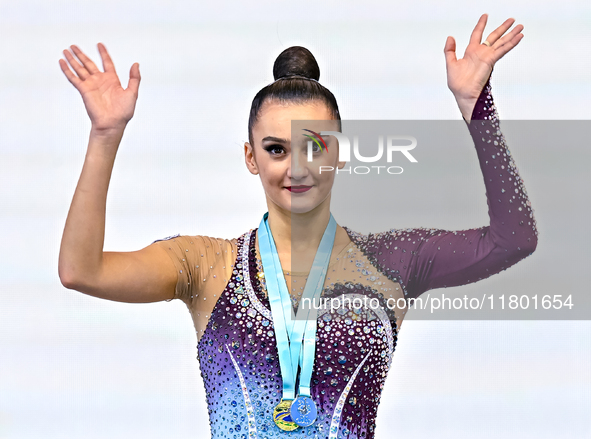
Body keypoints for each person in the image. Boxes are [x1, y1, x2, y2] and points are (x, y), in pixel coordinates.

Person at [58, 14, 537, 439]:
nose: (297, 168)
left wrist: (478, 106)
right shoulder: (206, 265)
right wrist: (105, 136)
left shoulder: (392, 262)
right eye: (276, 149)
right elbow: (82, 270)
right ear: (250, 157)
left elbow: (514, 239)